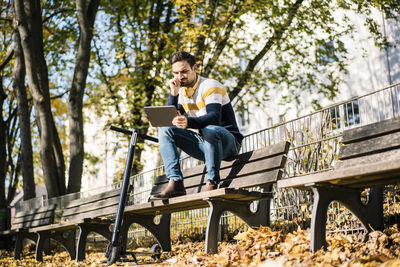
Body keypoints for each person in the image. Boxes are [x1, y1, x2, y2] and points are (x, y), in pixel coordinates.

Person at [150, 51, 243, 200]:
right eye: (176, 73)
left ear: (195, 68)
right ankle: (176, 182)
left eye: (184, 71)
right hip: (207, 146)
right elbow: (169, 119)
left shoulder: (210, 85)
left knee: (210, 129)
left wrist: (189, 122)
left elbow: (214, 118)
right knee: (166, 129)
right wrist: (173, 94)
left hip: (229, 144)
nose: (180, 77)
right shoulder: (181, 91)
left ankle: (211, 182)